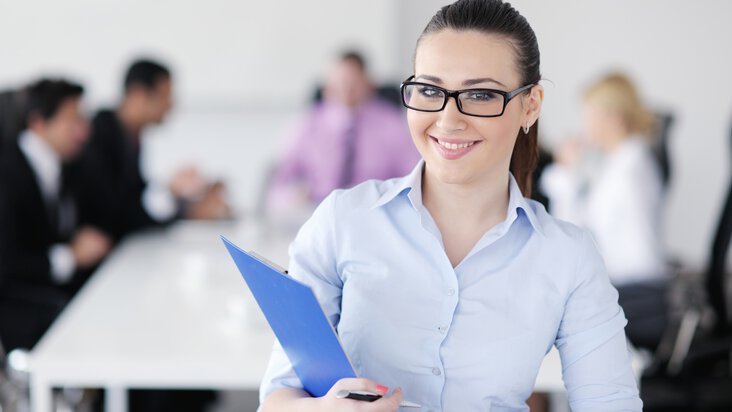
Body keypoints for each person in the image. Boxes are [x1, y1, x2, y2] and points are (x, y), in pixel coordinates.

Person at [258, 1, 642, 411]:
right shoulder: (343, 221)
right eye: (429, 90)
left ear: (530, 105)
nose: (447, 118)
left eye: (480, 94)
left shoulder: (568, 257)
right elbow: (279, 395)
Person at [541, 73, 668, 351]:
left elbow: (573, 230)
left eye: (590, 115)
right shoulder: (621, 162)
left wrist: (566, 173)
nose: (584, 125)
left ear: (614, 117)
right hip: (632, 287)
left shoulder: (629, 170)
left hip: (636, 291)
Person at [0, 79, 113, 351]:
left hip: (45, 291)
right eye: (73, 120)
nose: (84, 132)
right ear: (39, 122)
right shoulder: (8, 173)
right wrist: (71, 256)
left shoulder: (68, 165)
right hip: (18, 305)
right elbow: (7, 264)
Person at [80, 59, 229, 240]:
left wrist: (189, 205)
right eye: (165, 96)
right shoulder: (98, 135)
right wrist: (170, 190)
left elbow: (138, 197)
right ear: (139, 94)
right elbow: (117, 214)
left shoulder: (131, 135)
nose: (170, 106)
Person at [266, 51, 420, 218]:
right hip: (317, 215)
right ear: (326, 88)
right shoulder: (307, 125)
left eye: (353, 83)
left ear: (369, 84)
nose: (346, 90)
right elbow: (276, 189)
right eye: (338, 82)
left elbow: (416, 180)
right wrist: (293, 197)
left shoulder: (392, 124)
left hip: (375, 215)